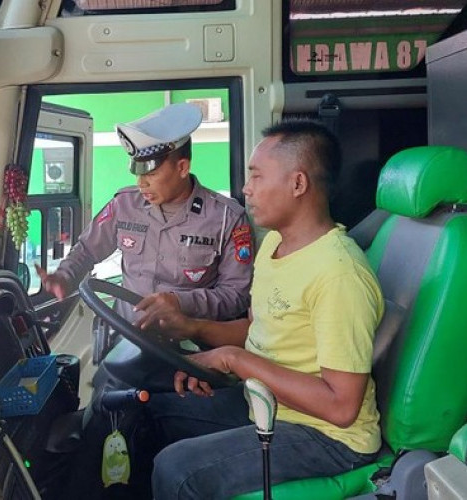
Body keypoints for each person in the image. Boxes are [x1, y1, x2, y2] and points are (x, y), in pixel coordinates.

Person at [145, 120, 384, 499]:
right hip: (265, 402)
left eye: (256, 176)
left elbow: (342, 407)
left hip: (329, 437)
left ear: (298, 184)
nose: (246, 188)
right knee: (148, 412)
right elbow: (258, 329)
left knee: (178, 470)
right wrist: (191, 328)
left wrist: (234, 360)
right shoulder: (275, 243)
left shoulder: (339, 273)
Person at [35, 102, 253, 328]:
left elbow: (236, 295)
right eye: (137, 172)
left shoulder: (227, 218)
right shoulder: (124, 205)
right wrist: (65, 276)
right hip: (124, 338)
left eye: (151, 173)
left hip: (187, 347)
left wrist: (181, 302)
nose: (141, 183)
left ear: (182, 168)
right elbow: (88, 250)